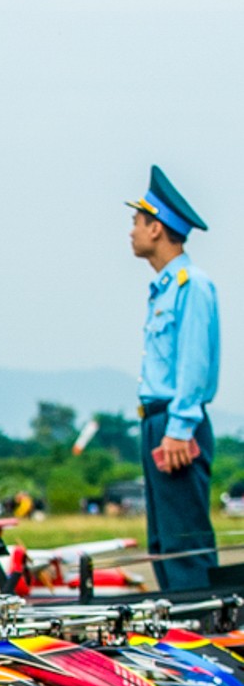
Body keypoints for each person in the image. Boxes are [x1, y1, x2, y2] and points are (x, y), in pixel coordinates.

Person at [128, 165, 221, 591]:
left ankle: (206, 635)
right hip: (157, 422)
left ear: (157, 228)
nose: (131, 231)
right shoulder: (164, 288)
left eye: (137, 221)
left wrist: (180, 428)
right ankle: (178, 631)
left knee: (185, 545)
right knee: (163, 542)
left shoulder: (191, 285)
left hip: (176, 425)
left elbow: (194, 365)